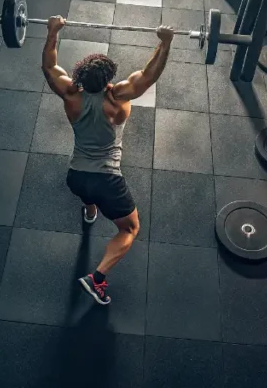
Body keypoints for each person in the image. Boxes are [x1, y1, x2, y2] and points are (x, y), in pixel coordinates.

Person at [42, 16, 173, 305]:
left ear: (79, 78)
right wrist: (165, 43)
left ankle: (90, 213)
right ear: (109, 80)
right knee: (130, 229)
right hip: (106, 179)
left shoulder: (69, 95)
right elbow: (149, 75)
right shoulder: (117, 98)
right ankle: (97, 279)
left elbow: (49, 66)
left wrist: (53, 31)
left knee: (88, 190)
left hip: (76, 176)